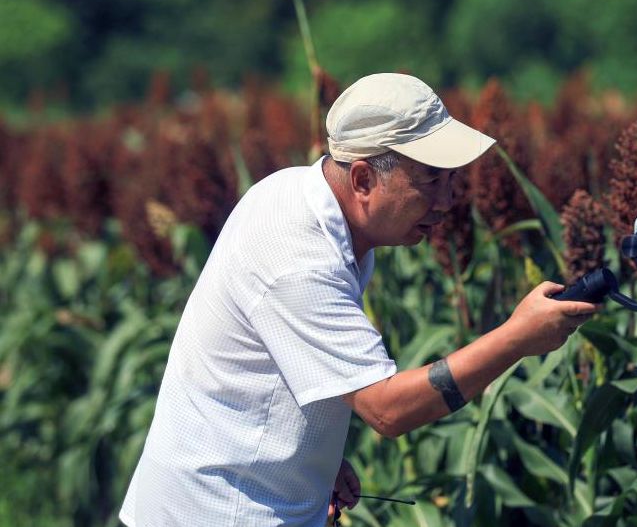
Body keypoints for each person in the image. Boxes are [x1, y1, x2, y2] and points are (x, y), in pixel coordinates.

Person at [118, 73, 600, 526]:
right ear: (364, 180)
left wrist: (314, 458)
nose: (449, 200)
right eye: (431, 181)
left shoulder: (299, 195)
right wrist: (518, 338)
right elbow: (388, 411)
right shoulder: (299, 257)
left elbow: (270, 368)